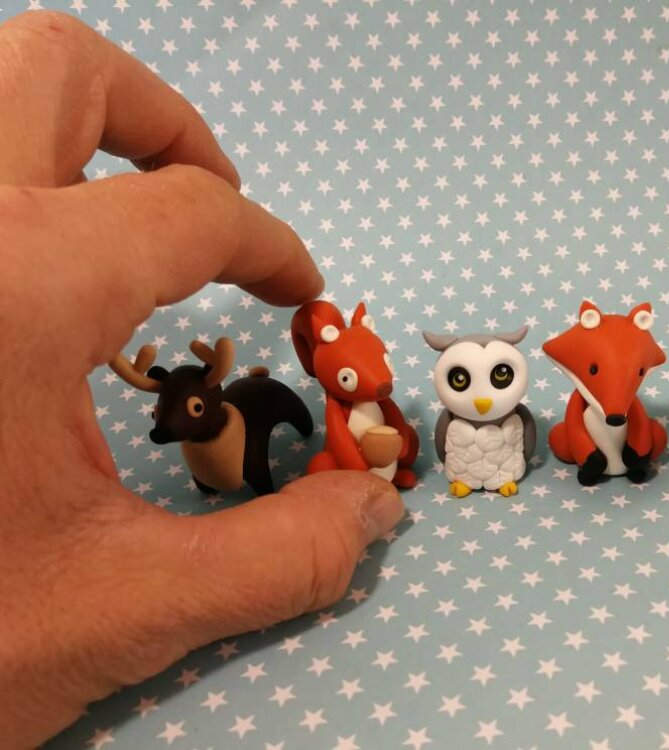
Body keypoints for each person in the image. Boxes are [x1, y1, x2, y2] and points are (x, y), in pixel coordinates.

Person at [0, 11, 405, 747]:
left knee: (291, 423)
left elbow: (351, 419)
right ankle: (232, 483)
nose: (167, 424)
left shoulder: (268, 395)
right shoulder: (195, 420)